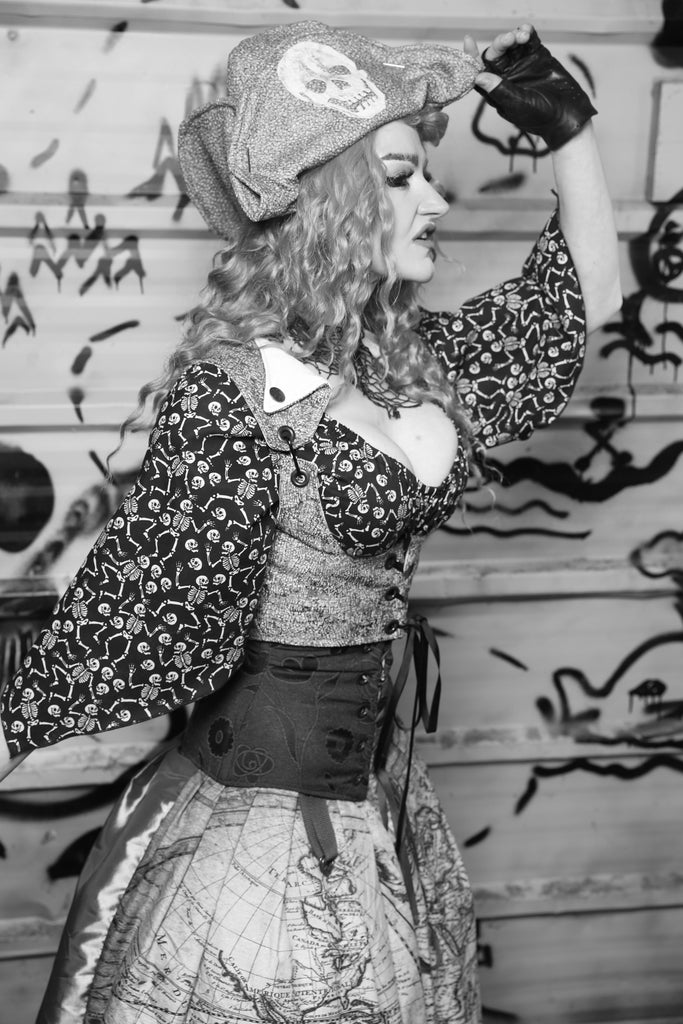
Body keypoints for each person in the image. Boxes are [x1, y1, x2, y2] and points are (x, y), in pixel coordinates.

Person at [0, 20, 620, 1024]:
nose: (437, 199)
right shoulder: (234, 390)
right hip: (254, 829)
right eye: (402, 177)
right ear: (333, 204)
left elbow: (580, 303)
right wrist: (13, 728)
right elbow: (141, 609)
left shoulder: (408, 363)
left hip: (379, 803)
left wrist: (566, 128)